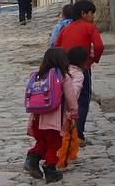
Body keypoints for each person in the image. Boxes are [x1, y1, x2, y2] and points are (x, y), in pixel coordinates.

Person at [23, 48, 78, 183]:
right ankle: (50, 168)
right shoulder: (63, 77)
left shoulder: (37, 75)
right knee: (54, 144)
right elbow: (71, 97)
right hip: (54, 119)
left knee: (42, 141)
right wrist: (73, 111)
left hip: (37, 117)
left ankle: (32, 160)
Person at [54, 0, 104, 147]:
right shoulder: (90, 27)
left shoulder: (66, 28)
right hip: (82, 68)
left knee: (65, 100)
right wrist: (92, 60)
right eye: (91, 13)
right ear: (83, 13)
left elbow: (57, 46)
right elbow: (99, 46)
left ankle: (63, 132)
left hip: (64, 68)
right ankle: (79, 134)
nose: (93, 16)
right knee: (82, 100)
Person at [56, 46, 86, 169]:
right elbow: (73, 92)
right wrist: (73, 109)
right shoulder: (78, 75)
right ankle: (61, 161)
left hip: (57, 106)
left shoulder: (62, 70)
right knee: (67, 135)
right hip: (67, 108)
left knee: (72, 132)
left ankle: (73, 154)